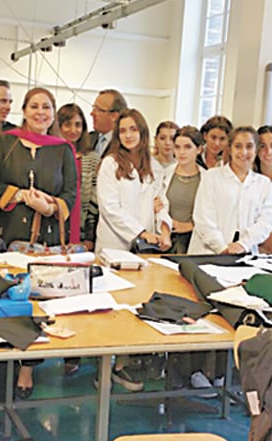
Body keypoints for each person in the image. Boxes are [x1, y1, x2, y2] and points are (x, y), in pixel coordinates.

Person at [0, 87, 78, 399]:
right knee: (10, 300)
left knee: (38, 305)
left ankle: (28, 366)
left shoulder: (63, 149)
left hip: (49, 239)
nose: (41, 112)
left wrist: (51, 207)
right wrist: (19, 194)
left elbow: (70, 193)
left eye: (47, 107)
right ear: (24, 111)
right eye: (35, 106)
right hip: (9, 234)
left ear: (53, 114)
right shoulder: (5, 143)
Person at [95, 108, 171, 391]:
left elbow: (161, 203)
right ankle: (108, 368)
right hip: (116, 246)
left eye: (133, 130)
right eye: (123, 130)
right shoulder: (110, 164)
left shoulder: (153, 166)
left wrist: (163, 228)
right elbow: (110, 209)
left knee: (137, 306)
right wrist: (142, 232)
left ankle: (127, 364)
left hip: (145, 249)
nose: (128, 135)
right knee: (113, 309)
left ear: (142, 132)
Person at [188, 126, 272, 255]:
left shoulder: (263, 184)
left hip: (246, 253)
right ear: (229, 149)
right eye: (238, 146)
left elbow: (266, 222)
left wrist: (244, 244)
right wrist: (222, 248)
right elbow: (203, 218)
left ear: (256, 149)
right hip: (208, 253)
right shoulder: (211, 177)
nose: (244, 152)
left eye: (249, 146)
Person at [57, 103, 99, 251]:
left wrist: (89, 237)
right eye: (67, 125)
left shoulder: (92, 159)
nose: (73, 130)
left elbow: (94, 203)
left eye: (78, 125)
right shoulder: (50, 155)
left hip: (80, 231)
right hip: (56, 226)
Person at [162, 125, 205, 253]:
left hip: (195, 241)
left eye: (187, 147)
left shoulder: (207, 179)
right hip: (166, 240)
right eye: (177, 147)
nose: (181, 152)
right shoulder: (164, 174)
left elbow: (214, 217)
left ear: (199, 149)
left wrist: (189, 226)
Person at [90, 89, 128, 156]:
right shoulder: (88, 139)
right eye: (93, 108)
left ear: (114, 116)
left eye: (97, 109)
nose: (92, 113)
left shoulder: (124, 144)